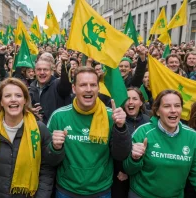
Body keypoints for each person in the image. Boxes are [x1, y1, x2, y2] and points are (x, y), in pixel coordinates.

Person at [45, 67, 132, 197]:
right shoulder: (58, 117)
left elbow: (121, 155)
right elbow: (49, 161)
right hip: (66, 190)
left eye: (93, 85)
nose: (89, 89)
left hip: (101, 191)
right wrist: (55, 147)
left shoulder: (111, 116)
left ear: (98, 88)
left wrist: (121, 128)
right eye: (83, 85)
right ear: (74, 88)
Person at [123, 90, 196, 198]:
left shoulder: (192, 136)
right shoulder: (143, 132)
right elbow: (128, 169)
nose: (173, 110)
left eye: (177, 106)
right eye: (167, 106)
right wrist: (135, 158)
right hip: (141, 195)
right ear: (157, 111)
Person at [0, 78, 54, 197]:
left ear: (25, 100)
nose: (13, 99)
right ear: (1, 101)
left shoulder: (39, 130)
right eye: (7, 96)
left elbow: (46, 169)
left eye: (18, 95)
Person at [112, 87, 150, 197]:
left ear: (141, 102)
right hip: (120, 176)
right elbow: (113, 148)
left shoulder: (149, 121)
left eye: (135, 99)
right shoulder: (116, 121)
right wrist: (122, 170)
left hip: (142, 177)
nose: (130, 102)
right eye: (127, 99)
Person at [29, 53, 72, 124]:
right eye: (39, 69)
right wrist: (30, 111)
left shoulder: (57, 85)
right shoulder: (30, 89)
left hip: (56, 130)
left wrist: (65, 67)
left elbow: (65, 86)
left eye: (45, 70)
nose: (42, 72)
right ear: (35, 72)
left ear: (51, 71)